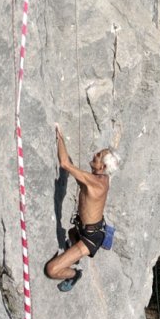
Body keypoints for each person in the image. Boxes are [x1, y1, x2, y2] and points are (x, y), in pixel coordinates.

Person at [45, 124, 120, 292]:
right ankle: (73, 251)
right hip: (86, 229)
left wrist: (60, 138)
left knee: (52, 269)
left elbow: (65, 164)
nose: (95, 154)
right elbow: (74, 171)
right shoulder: (100, 178)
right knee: (71, 234)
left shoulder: (97, 183)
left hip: (90, 238)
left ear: (103, 167)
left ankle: (74, 274)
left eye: (98, 156)